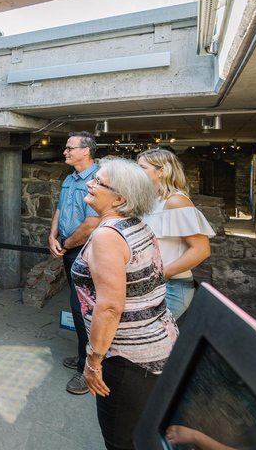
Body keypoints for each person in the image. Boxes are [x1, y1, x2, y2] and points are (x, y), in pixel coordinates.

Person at [73, 157, 179, 450]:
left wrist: (93, 361)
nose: (91, 184)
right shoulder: (136, 225)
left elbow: (109, 307)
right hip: (155, 344)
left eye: (98, 182)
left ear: (119, 198)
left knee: (121, 441)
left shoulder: (108, 236)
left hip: (127, 357)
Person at [48, 131, 100, 395]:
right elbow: (60, 208)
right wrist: (52, 235)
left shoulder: (99, 179)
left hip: (86, 253)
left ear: (85, 151)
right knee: (79, 308)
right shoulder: (70, 178)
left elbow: (93, 223)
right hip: (69, 249)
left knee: (84, 311)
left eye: (70, 148)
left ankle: (86, 369)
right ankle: (83, 356)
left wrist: (67, 245)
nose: (65, 152)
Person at [138, 148, 214, 320]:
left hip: (170, 288)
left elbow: (201, 250)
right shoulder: (151, 199)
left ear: (162, 170)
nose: (137, 172)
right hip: (150, 285)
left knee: (155, 343)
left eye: (143, 167)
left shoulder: (176, 201)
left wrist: (162, 275)